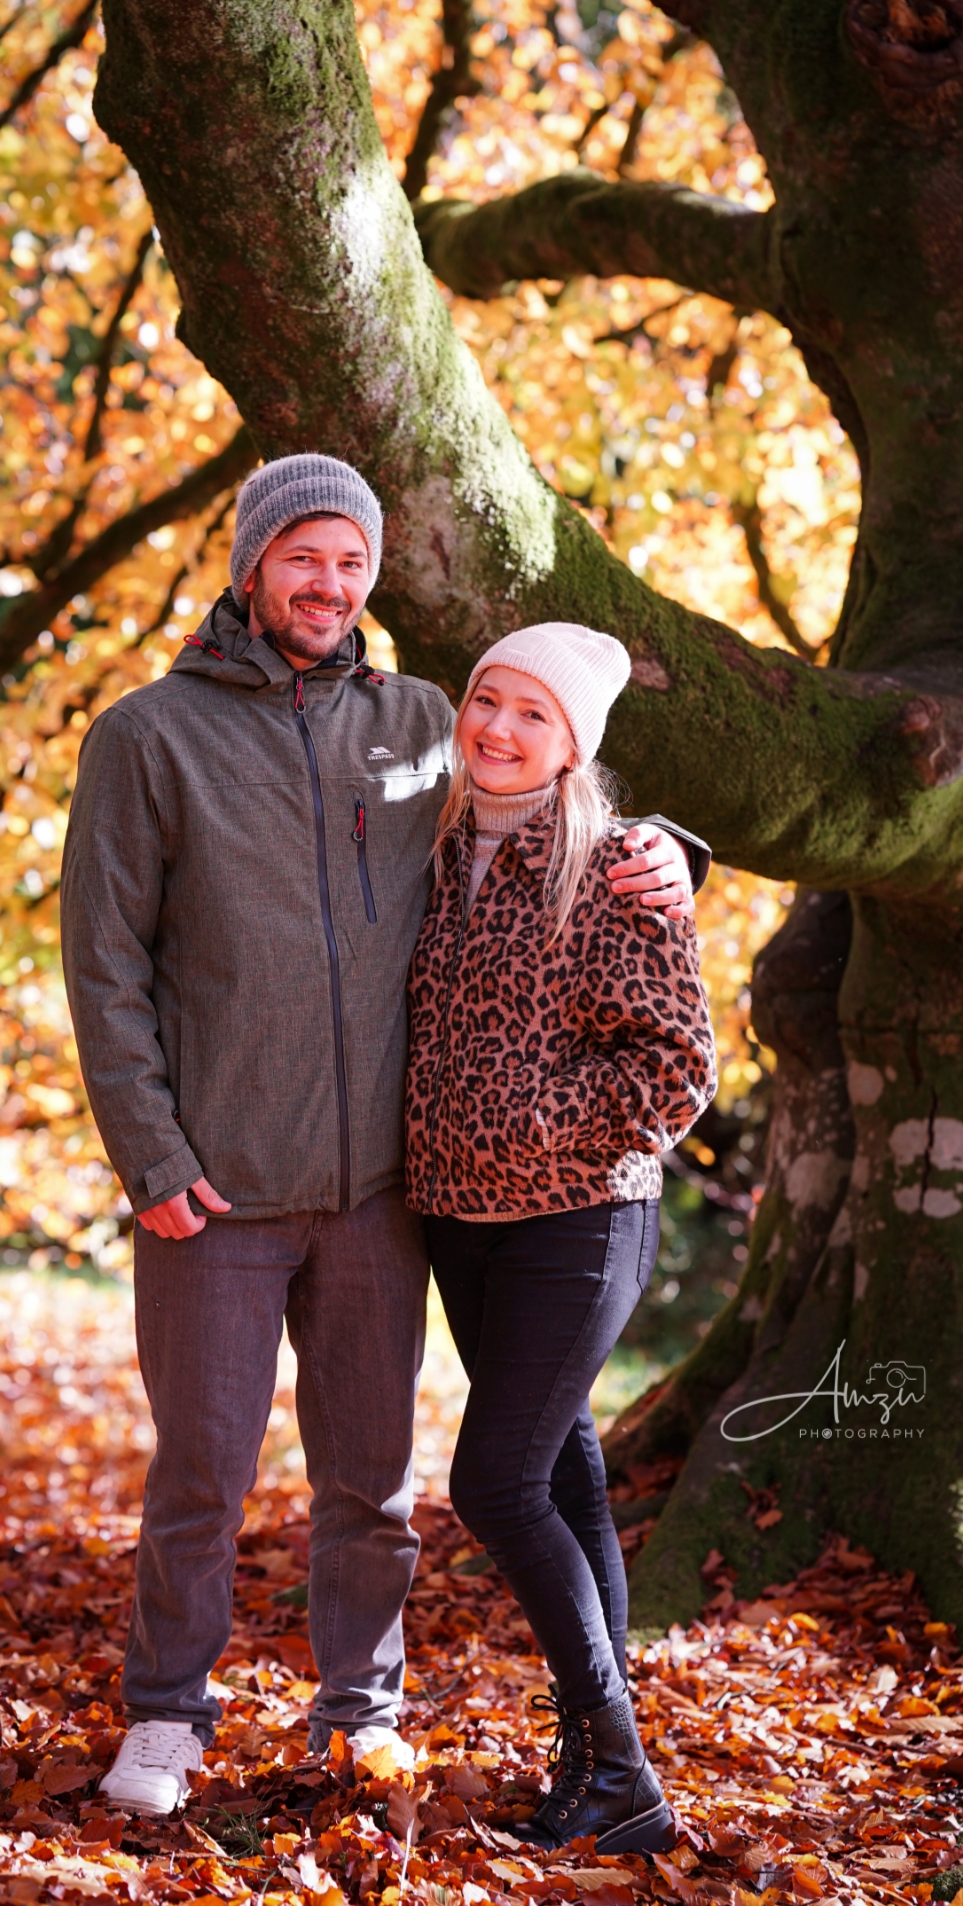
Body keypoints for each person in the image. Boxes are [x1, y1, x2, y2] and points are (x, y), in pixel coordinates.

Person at [60, 453, 707, 1819]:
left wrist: (669, 843)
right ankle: (168, 1720)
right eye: (304, 556)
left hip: (382, 1192)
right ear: (251, 566)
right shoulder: (146, 738)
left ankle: (359, 1712)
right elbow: (104, 967)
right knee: (201, 1477)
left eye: (351, 562)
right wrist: (153, 1157)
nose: (330, 584)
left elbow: (546, 785)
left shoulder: (414, 719)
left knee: (374, 1484)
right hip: (215, 1189)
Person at [405, 623, 717, 1856]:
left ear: (572, 741)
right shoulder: (436, 850)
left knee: (493, 1481)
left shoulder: (614, 865)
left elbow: (680, 1063)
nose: (499, 728)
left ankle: (625, 1767)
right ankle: (596, 1759)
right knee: (569, 1474)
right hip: (459, 1223)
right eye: (488, 699)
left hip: (578, 1221)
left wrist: (543, 1131)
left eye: (534, 713)